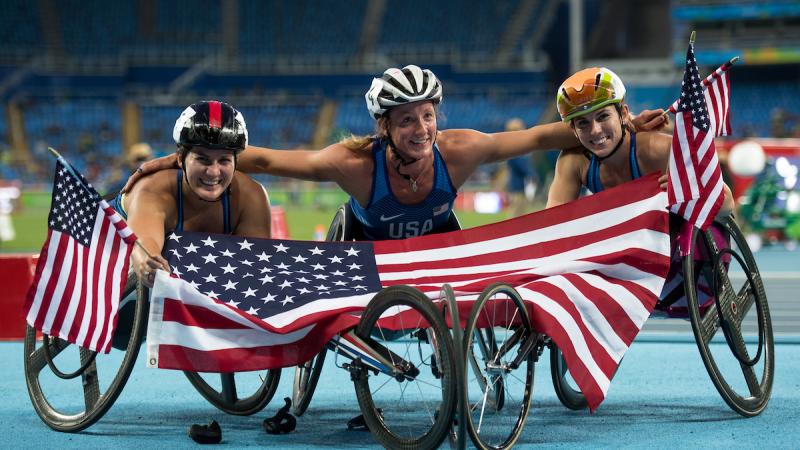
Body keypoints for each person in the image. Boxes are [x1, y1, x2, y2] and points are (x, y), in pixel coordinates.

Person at [126, 65, 667, 240]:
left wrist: (620, 122)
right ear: (384, 127)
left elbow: (542, 136)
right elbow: (263, 161)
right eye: (407, 120)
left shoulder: (460, 151)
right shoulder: (352, 163)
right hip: (365, 240)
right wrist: (186, 155)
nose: (421, 129)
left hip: (436, 237)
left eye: (428, 116)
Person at [112, 100, 272, 287]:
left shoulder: (251, 197)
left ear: (237, 162)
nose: (213, 172)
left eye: (224, 160)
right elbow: (144, 246)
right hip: (110, 273)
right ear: (180, 158)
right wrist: (149, 263)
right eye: (202, 160)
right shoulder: (152, 189)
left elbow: (254, 273)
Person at [546, 66, 734, 216]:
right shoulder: (573, 161)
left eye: (603, 117)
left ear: (624, 114)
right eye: (583, 123)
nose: (595, 130)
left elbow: (727, 204)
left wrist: (692, 191)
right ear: (574, 130)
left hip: (686, 246)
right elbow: (551, 223)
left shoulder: (658, 149)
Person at [503, 118, 537, 217]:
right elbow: (523, 166)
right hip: (518, 188)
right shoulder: (514, 148)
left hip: (517, 186)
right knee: (517, 216)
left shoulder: (512, 146)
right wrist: (532, 174)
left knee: (519, 215)